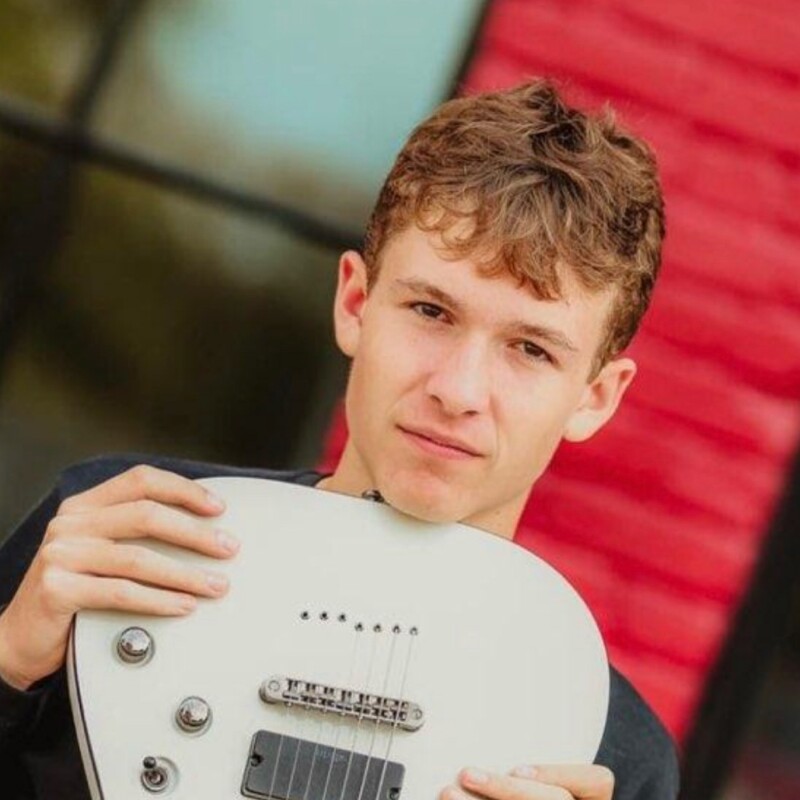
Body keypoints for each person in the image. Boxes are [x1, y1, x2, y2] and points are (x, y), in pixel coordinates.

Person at [0, 80, 678, 799]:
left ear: (596, 398)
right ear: (355, 304)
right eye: (430, 311)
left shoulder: (617, 757)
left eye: (531, 350)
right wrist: (7, 662)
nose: (457, 390)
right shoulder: (116, 537)